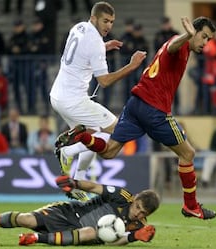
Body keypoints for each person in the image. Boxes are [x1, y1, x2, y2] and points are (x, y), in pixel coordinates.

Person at [57, 16, 216, 219]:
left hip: (136, 104)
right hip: (154, 110)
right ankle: (191, 206)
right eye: (203, 37)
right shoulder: (181, 43)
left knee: (108, 152)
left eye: (208, 40)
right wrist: (187, 35)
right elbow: (172, 47)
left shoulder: (181, 46)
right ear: (193, 32)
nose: (204, 43)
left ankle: (81, 137)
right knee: (188, 154)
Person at [50, 2, 147, 200]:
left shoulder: (78, 27)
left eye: (111, 22)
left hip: (58, 96)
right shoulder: (94, 42)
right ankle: (68, 151)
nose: (109, 26)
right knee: (116, 129)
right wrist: (132, 66)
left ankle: (78, 183)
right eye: (105, 21)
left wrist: (104, 46)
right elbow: (104, 81)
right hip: (73, 101)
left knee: (92, 137)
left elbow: (81, 51)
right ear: (94, 18)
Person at [0, 175, 159, 246]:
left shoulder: (139, 227)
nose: (138, 214)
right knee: (26, 219)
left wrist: (133, 238)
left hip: (86, 234)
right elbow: (95, 187)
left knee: (91, 232)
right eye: (138, 208)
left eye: (143, 214)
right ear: (135, 199)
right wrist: (74, 183)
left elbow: (116, 241)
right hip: (70, 213)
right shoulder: (121, 195)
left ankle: (34, 240)